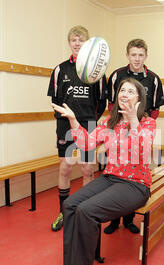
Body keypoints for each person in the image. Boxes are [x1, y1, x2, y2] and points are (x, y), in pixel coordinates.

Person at [50, 78, 156, 265]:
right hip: (111, 177)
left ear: (139, 98)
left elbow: (141, 152)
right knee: (70, 204)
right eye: (122, 90)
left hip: (135, 184)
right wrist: (73, 120)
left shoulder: (147, 123)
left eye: (130, 91)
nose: (125, 94)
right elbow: (86, 144)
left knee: (86, 211)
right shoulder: (109, 122)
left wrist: (133, 121)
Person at [47, 25, 107, 231]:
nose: (77, 43)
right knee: (65, 168)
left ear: (87, 43)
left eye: (81, 40)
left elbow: (101, 102)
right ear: (69, 43)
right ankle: (63, 213)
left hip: (88, 125)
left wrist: (89, 121)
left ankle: (84, 212)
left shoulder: (96, 72)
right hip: (65, 127)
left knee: (87, 168)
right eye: (74, 40)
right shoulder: (59, 70)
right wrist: (69, 120)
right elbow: (55, 100)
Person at [104, 38, 164, 235]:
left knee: (133, 175)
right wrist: (117, 126)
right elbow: (112, 105)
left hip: (140, 132)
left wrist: (141, 123)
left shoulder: (154, 79)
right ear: (127, 55)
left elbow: (155, 109)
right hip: (118, 131)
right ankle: (113, 221)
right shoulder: (116, 76)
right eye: (133, 54)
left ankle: (129, 218)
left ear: (146, 56)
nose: (137, 59)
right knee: (116, 172)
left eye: (140, 55)